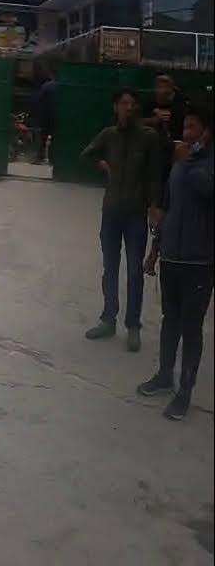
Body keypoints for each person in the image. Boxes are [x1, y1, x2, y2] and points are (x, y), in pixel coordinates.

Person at [136, 107, 212, 421]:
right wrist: (156, 249)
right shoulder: (180, 164)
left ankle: (185, 390)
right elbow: (169, 207)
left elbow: (207, 190)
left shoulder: (199, 164)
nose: (187, 133)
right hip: (171, 257)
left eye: (193, 127)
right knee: (170, 319)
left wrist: (187, 163)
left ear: (208, 132)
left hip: (199, 262)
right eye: (185, 127)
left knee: (191, 327)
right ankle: (165, 374)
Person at [81, 88, 162, 351]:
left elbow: (154, 175)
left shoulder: (147, 138)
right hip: (112, 211)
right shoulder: (109, 135)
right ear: (115, 107)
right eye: (123, 103)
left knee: (135, 271)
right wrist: (104, 166)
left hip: (136, 214)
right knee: (110, 267)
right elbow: (88, 153)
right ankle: (108, 319)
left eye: (132, 103)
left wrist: (154, 207)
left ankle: (133, 325)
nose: (129, 107)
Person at [141, 74, 190, 190]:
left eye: (166, 92)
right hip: (154, 149)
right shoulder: (149, 102)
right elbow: (136, 121)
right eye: (158, 89)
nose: (161, 93)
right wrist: (154, 120)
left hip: (176, 148)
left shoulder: (182, 103)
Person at [30, 71, 57, 165]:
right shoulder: (61, 86)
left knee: (42, 137)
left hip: (45, 115)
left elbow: (39, 99)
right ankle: (53, 159)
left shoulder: (47, 86)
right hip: (56, 115)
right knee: (55, 138)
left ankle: (38, 157)